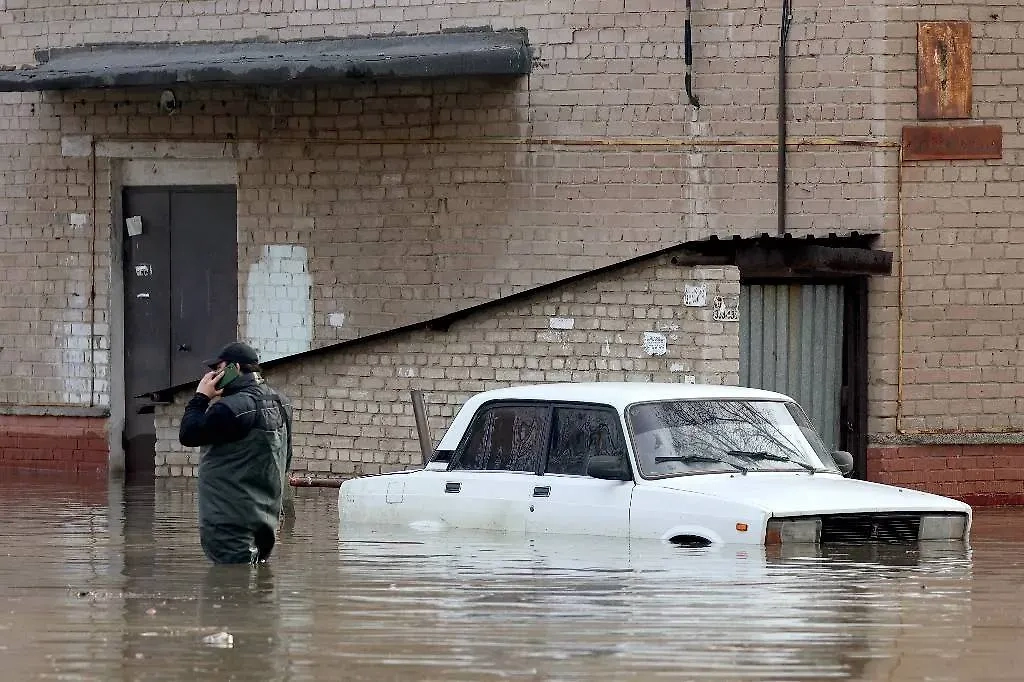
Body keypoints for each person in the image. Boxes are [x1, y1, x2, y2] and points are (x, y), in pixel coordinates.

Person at [179, 341, 293, 565]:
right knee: (256, 578)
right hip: (266, 523)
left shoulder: (229, 408)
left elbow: (188, 434)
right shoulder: (281, 403)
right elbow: (286, 458)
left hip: (229, 525)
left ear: (235, 368)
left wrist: (201, 397)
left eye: (218, 368)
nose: (213, 375)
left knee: (230, 581)